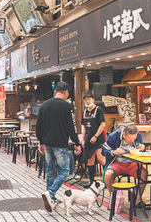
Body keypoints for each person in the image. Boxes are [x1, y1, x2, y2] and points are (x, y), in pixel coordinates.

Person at [36, 81, 80, 212]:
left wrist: (41, 142)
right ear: (66, 92)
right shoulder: (66, 106)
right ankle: (51, 193)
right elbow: (70, 127)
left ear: (56, 92)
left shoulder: (44, 105)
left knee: (50, 171)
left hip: (47, 144)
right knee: (64, 171)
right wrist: (77, 142)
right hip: (60, 144)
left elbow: (39, 126)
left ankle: (51, 199)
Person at [102, 125, 145, 205]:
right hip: (116, 163)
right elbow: (103, 151)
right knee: (108, 174)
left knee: (144, 172)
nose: (132, 140)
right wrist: (113, 152)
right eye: (130, 138)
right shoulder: (113, 136)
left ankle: (138, 200)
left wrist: (143, 149)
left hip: (132, 163)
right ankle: (113, 198)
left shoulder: (138, 135)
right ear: (124, 134)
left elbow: (141, 150)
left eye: (134, 138)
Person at [80, 91, 106, 186]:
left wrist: (96, 136)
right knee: (90, 160)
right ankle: (92, 181)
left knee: (100, 158)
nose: (87, 101)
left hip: (98, 138)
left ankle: (107, 180)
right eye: (85, 100)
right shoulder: (84, 112)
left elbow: (103, 124)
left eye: (89, 99)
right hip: (88, 138)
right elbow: (83, 127)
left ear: (93, 100)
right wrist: (82, 139)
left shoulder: (98, 110)